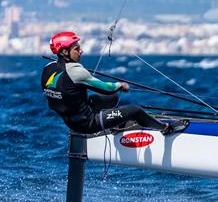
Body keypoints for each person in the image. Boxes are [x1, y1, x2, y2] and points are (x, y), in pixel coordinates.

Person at [41, 31, 188, 135]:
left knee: (113, 99)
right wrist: (119, 85)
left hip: (70, 120)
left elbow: (58, 95)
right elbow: (106, 88)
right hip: (87, 124)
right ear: (64, 52)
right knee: (134, 111)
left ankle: (116, 123)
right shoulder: (75, 71)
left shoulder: (48, 69)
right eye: (76, 48)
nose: (82, 51)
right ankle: (165, 128)